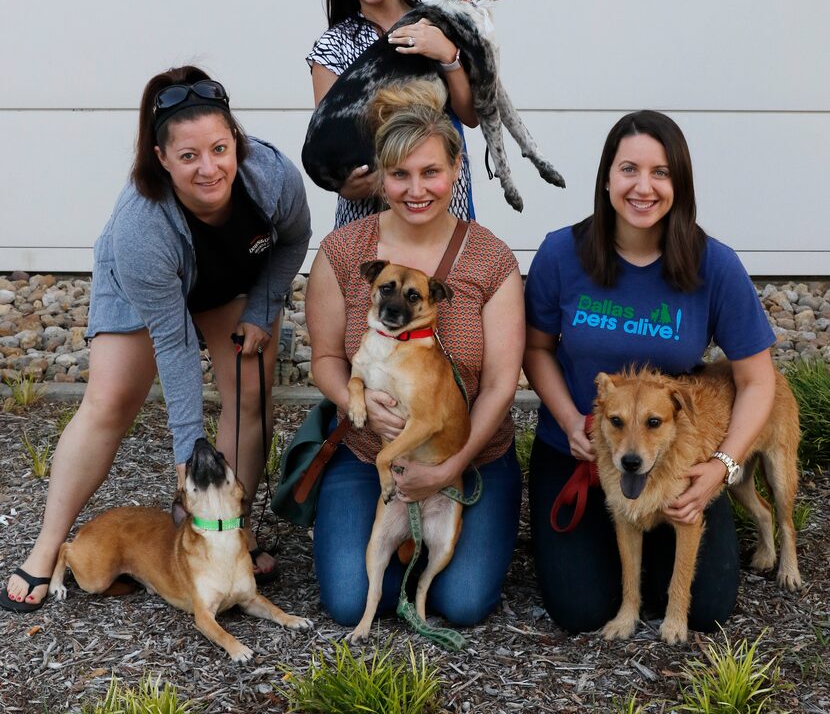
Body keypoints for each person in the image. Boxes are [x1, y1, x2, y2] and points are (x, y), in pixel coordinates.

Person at [1, 66, 311, 612]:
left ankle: (233, 532)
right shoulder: (141, 224)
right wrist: (187, 453)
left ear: (235, 141)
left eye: (219, 148)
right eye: (188, 156)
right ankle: (49, 545)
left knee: (249, 389)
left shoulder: (273, 176)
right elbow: (173, 344)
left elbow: (294, 240)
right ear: (161, 158)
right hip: (146, 285)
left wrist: (263, 308)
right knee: (109, 400)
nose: (209, 168)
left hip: (231, 282)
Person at [523, 110, 776, 634]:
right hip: (580, 454)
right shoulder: (560, 254)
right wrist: (572, 420)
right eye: (629, 170)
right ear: (607, 178)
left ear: (679, 182)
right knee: (581, 609)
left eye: (661, 173)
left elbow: (757, 380)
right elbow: (537, 350)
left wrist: (722, 467)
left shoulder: (715, 266)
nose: (644, 187)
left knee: (705, 609)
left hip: (675, 455)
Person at [305, 79, 523, 627]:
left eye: (431, 172)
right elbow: (327, 359)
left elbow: (500, 384)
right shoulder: (343, 252)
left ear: (456, 171)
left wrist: (451, 464)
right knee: (352, 602)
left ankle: (426, 555)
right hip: (368, 453)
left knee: (463, 603)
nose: (416, 189)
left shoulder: (491, 259)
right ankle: (394, 550)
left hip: (470, 454)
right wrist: (354, 402)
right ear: (380, 177)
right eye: (400, 174)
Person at [306, 0, 478, 227]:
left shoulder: (438, 23)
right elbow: (331, 141)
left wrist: (447, 53)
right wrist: (346, 185)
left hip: (439, 200)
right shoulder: (331, 46)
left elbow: (471, 115)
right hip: (368, 216)